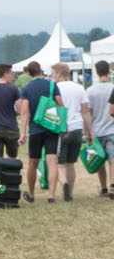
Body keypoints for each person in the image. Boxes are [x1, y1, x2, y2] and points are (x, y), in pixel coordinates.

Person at [17, 61, 61, 202]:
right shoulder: (52, 85)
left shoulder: (27, 89)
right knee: (52, 161)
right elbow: (61, 105)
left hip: (35, 130)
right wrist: (63, 126)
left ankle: (31, 194)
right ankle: (51, 195)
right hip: (51, 127)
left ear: (28, 73)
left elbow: (24, 113)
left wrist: (23, 132)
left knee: (33, 163)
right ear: (41, 71)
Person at [52, 62, 88, 202]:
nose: (52, 76)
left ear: (59, 74)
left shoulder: (55, 88)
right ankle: (70, 192)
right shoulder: (80, 88)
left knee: (60, 164)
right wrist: (88, 132)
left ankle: (64, 184)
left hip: (62, 129)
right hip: (77, 128)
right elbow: (85, 111)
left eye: (53, 73)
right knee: (71, 164)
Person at [87, 61, 114, 198]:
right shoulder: (113, 88)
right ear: (108, 71)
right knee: (112, 159)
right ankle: (113, 184)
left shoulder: (91, 90)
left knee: (100, 160)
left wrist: (87, 132)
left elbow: (88, 113)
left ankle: (103, 188)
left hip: (97, 130)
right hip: (112, 129)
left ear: (96, 72)